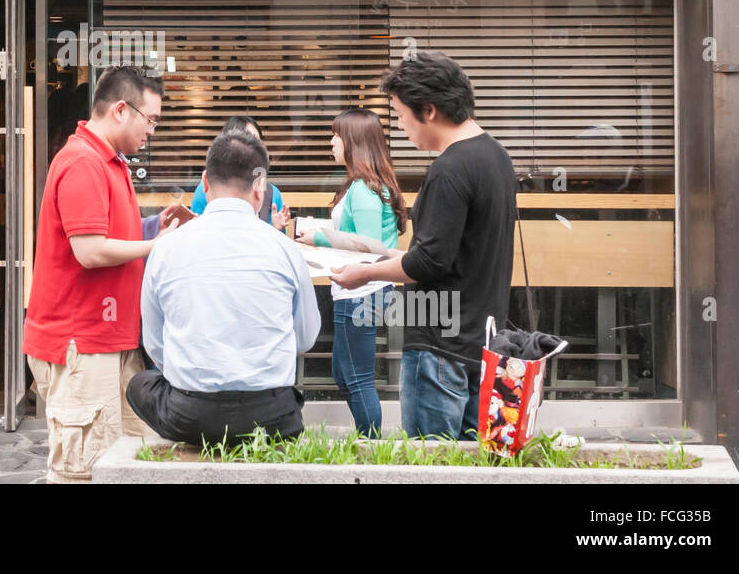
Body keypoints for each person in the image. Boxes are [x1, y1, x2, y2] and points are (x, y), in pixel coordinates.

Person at [329, 52, 516, 440]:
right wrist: (388, 256)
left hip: (438, 345)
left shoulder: (449, 169)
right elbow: (452, 254)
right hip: (480, 343)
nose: (399, 126)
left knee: (428, 466)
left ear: (428, 110)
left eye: (399, 114)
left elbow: (428, 263)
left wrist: (364, 273)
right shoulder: (496, 157)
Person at [23, 65, 186, 483]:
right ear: (120, 110)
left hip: (109, 339)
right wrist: (158, 245)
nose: (152, 130)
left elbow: (106, 236)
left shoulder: (108, 161)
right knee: (84, 472)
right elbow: (90, 251)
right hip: (82, 342)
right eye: (150, 120)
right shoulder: (82, 161)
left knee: (122, 466)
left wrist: (153, 229)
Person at [128, 129, 321, 445]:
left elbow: (156, 345)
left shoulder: (166, 248)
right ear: (260, 186)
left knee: (139, 384)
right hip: (272, 417)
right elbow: (305, 338)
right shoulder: (285, 249)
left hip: (189, 415)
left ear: (205, 181)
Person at [296, 108, 407, 437]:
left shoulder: (364, 189)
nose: (331, 141)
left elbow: (368, 244)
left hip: (363, 291)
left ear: (354, 142)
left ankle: (370, 449)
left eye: (337, 135)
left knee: (355, 377)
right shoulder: (363, 185)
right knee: (344, 372)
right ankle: (366, 442)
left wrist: (318, 237)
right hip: (357, 290)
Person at [188, 115, 290, 230]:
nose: (248, 145)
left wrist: (277, 229)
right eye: (243, 138)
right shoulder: (208, 187)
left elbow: (278, 243)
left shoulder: (272, 193)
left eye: (255, 141)